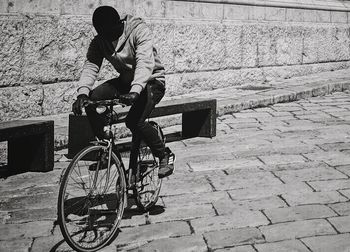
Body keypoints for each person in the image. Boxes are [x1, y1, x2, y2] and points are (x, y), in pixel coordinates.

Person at [72, 6, 173, 178]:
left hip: (151, 81)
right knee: (92, 99)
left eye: (109, 33)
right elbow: (91, 65)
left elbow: (144, 62)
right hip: (127, 81)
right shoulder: (100, 39)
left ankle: (164, 154)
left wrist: (135, 91)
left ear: (118, 24)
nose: (106, 38)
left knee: (134, 121)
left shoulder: (138, 30)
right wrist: (82, 93)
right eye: (101, 33)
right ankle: (106, 148)